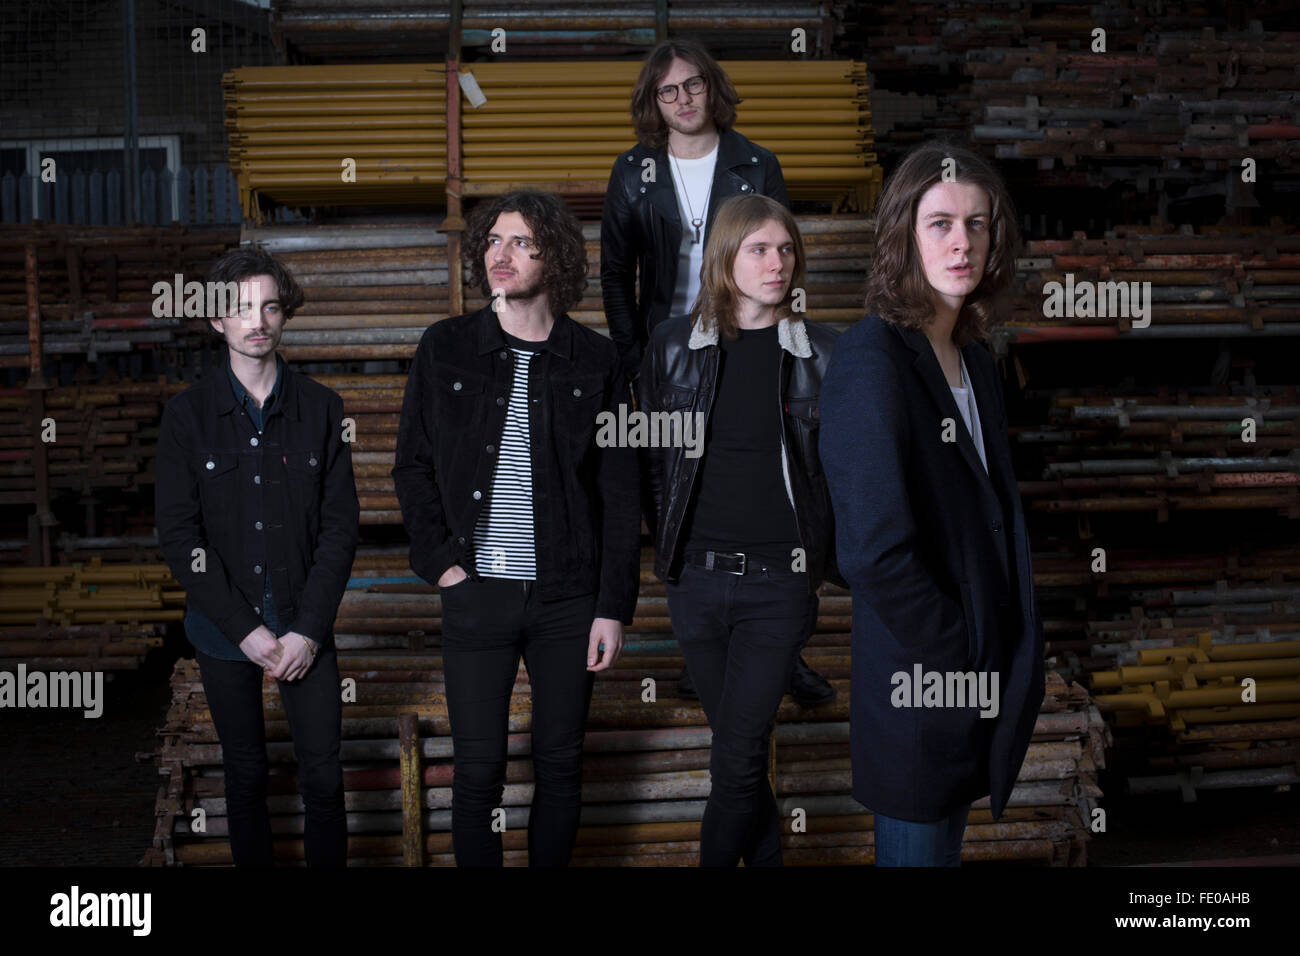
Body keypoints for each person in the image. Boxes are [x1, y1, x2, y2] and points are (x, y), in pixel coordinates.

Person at [393, 190, 640, 867]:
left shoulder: (598, 360)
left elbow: (620, 493)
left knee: (560, 766)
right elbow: (411, 466)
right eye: (494, 241)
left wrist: (613, 606)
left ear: (554, 257)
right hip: (478, 592)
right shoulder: (446, 347)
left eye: (522, 242)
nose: (502, 255)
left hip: (568, 597)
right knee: (480, 773)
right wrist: (444, 565)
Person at [819, 141, 1046, 867]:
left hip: (972, 678)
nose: (962, 242)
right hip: (921, 683)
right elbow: (872, 552)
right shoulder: (870, 361)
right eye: (941, 222)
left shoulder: (974, 359)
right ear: (902, 236)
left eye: (978, 224)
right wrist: (963, 649)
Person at [601, 36, 831, 705]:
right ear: (653, 101)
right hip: (672, 358)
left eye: (693, 85)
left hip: (748, 339)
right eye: (667, 91)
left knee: (780, 485)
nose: (682, 99)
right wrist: (633, 354)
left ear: (713, 88)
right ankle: (703, 644)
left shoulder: (755, 163)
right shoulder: (632, 171)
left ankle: (783, 650)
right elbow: (616, 273)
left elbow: (782, 255)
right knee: (677, 491)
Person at [638, 194, 843, 866]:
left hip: (779, 588)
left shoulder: (824, 353)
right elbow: (644, 461)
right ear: (724, 258)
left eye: (786, 249)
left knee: (736, 761)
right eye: (759, 249)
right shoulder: (672, 346)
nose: (777, 263)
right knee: (742, 759)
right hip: (696, 586)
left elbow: (846, 472)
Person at [156, 246, 359, 866]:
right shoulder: (187, 417)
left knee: (324, 779)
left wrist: (305, 630)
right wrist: (244, 630)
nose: (257, 320)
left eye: (269, 305)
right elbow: (179, 538)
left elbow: (339, 530)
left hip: (306, 627)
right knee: (245, 777)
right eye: (241, 308)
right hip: (224, 633)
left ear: (284, 314)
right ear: (217, 319)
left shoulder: (322, 409)